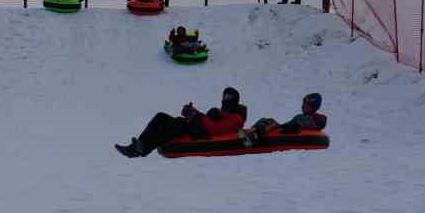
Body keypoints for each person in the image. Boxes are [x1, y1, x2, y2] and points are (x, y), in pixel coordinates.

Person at [114, 86, 247, 157]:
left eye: (229, 96)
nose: (225, 98)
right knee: (160, 117)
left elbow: (214, 129)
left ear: (235, 99)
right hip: (196, 126)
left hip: (201, 133)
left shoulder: (236, 118)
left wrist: (194, 115)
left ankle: (142, 150)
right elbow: (205, 119)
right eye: (225, 95)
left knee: (173, 127)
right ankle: (136, 146)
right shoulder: (222, 111)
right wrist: (192, 111)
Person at [243, 93, 326, 142]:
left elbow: (318, 122)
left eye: (306, 105)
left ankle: (253, 138)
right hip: (287, 128)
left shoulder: (314, 119)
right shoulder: (300, 116)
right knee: (266, 120)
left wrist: (280, 126)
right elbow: (291, 123)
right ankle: (252, 132)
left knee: (271, 123)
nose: (303, 107)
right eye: (303, 104)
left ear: (313, 107)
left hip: (290, 131)